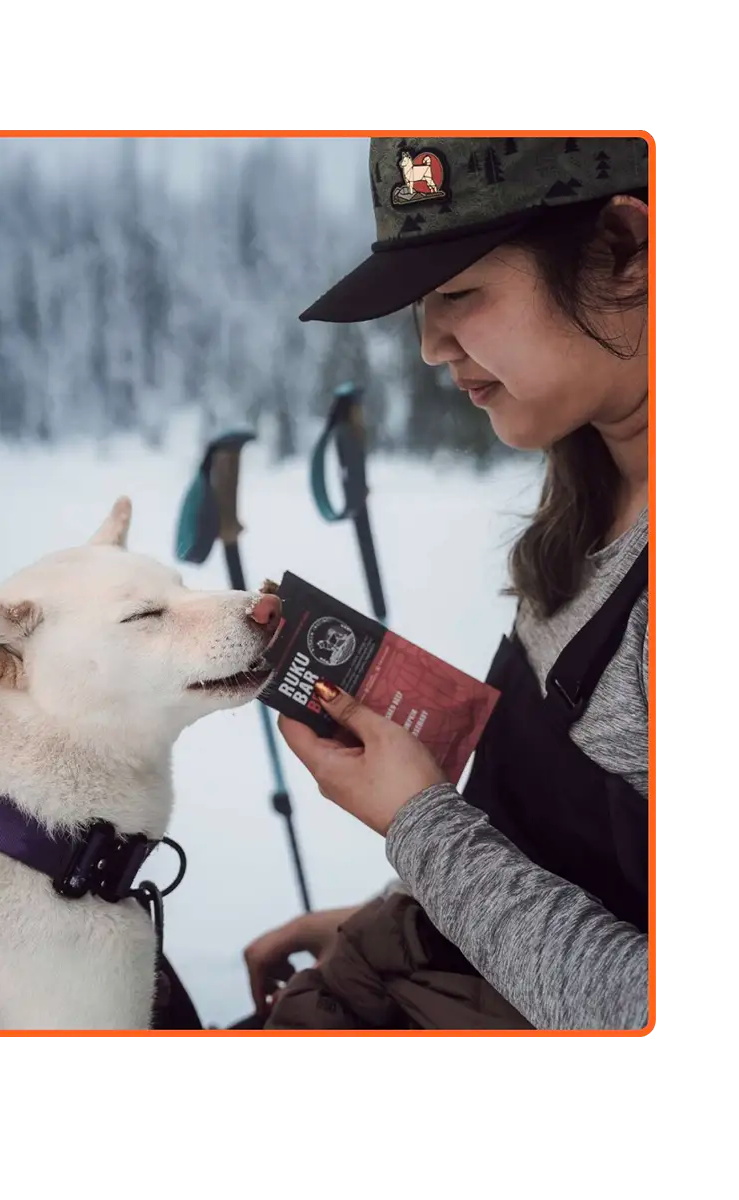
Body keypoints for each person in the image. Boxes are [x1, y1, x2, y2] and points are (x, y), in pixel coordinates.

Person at [239, 135, 650, 1032]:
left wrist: (419, 825)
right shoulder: (590, 495)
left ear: (626, 254)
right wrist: (415, 913)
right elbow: (560, 859)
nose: (427, 346)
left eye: (460, 292)